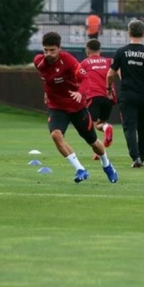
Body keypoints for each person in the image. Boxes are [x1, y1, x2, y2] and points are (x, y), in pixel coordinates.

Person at [33, 31, 117, 183]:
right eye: (46, 50)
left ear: (60, 48)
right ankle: (80, 169)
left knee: (93, 141)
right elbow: (47, 77)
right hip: (56, 107)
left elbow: (85, 79)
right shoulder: (39, 61)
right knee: (56, 135)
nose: (49, 53)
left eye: (52, 50)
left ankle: (107, 164)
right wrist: (47, 91)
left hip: (77, 106)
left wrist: (80, 93)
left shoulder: (69, 60)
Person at [107, 19, 144, 168]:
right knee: (143, 128)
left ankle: (135, 157)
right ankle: (142, 157)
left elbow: (110, 74)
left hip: (127, 95)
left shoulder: (121, 52)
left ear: (128, 33)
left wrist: (108, 89)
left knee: (129, 127)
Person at [76, 39, 115, 156]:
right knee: (101, 123)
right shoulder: (108, 61)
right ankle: (106, 127)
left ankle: (98, 152)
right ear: (100, 51)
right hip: (108, 97)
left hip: (93, 96)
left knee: (89, 126)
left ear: (87, 51)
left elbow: (78, 80)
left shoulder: (84, 63)